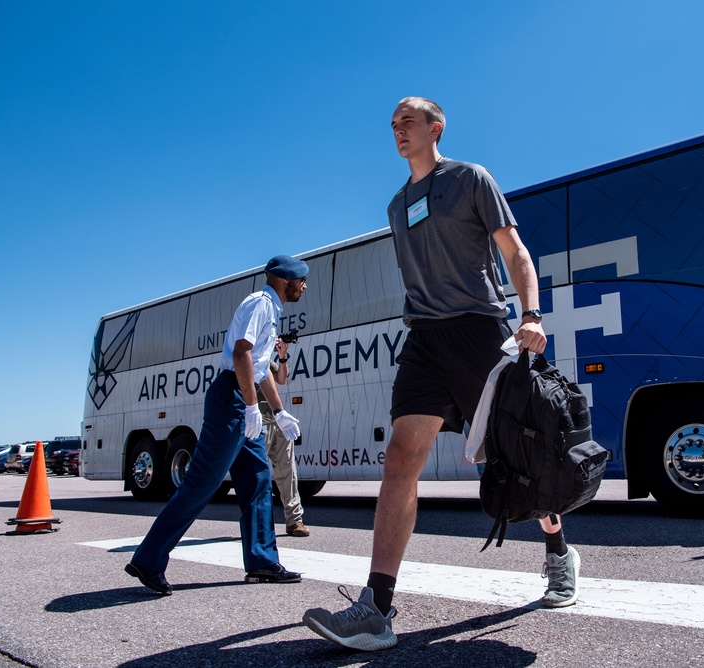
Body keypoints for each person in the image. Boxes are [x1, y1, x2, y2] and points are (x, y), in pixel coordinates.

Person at [303, 97, 579, 651]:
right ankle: (376, 609)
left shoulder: (471, 179)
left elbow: (515, 253)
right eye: (392, 125)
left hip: (480, 328)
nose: (398, 131)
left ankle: (557, 552)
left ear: (436, 127)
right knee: (401, 457)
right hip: (425, 337)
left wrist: (530, 314)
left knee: (519, 454)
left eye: (408, 121)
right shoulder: (397, 205)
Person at [125, 255, 309, 595]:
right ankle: (147, 560)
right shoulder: (260, 305)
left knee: (258, 479)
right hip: (233, 399)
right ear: (285, 280)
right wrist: (252, 407)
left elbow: (260, 366)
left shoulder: (271, 310)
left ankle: (262, 562)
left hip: (243, 396)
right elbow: (241, 355)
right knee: (201, 483)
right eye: (302, 280)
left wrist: (280, 412)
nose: (305, 286)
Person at [259, 336, 309, 537]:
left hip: (276, 421)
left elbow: (281, 379)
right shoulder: (251, 356)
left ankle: (294, 521)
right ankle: (259, 523)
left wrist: (282, 357)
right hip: (259, 423)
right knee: (258, 475)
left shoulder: (266, 359)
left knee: (288, 470)